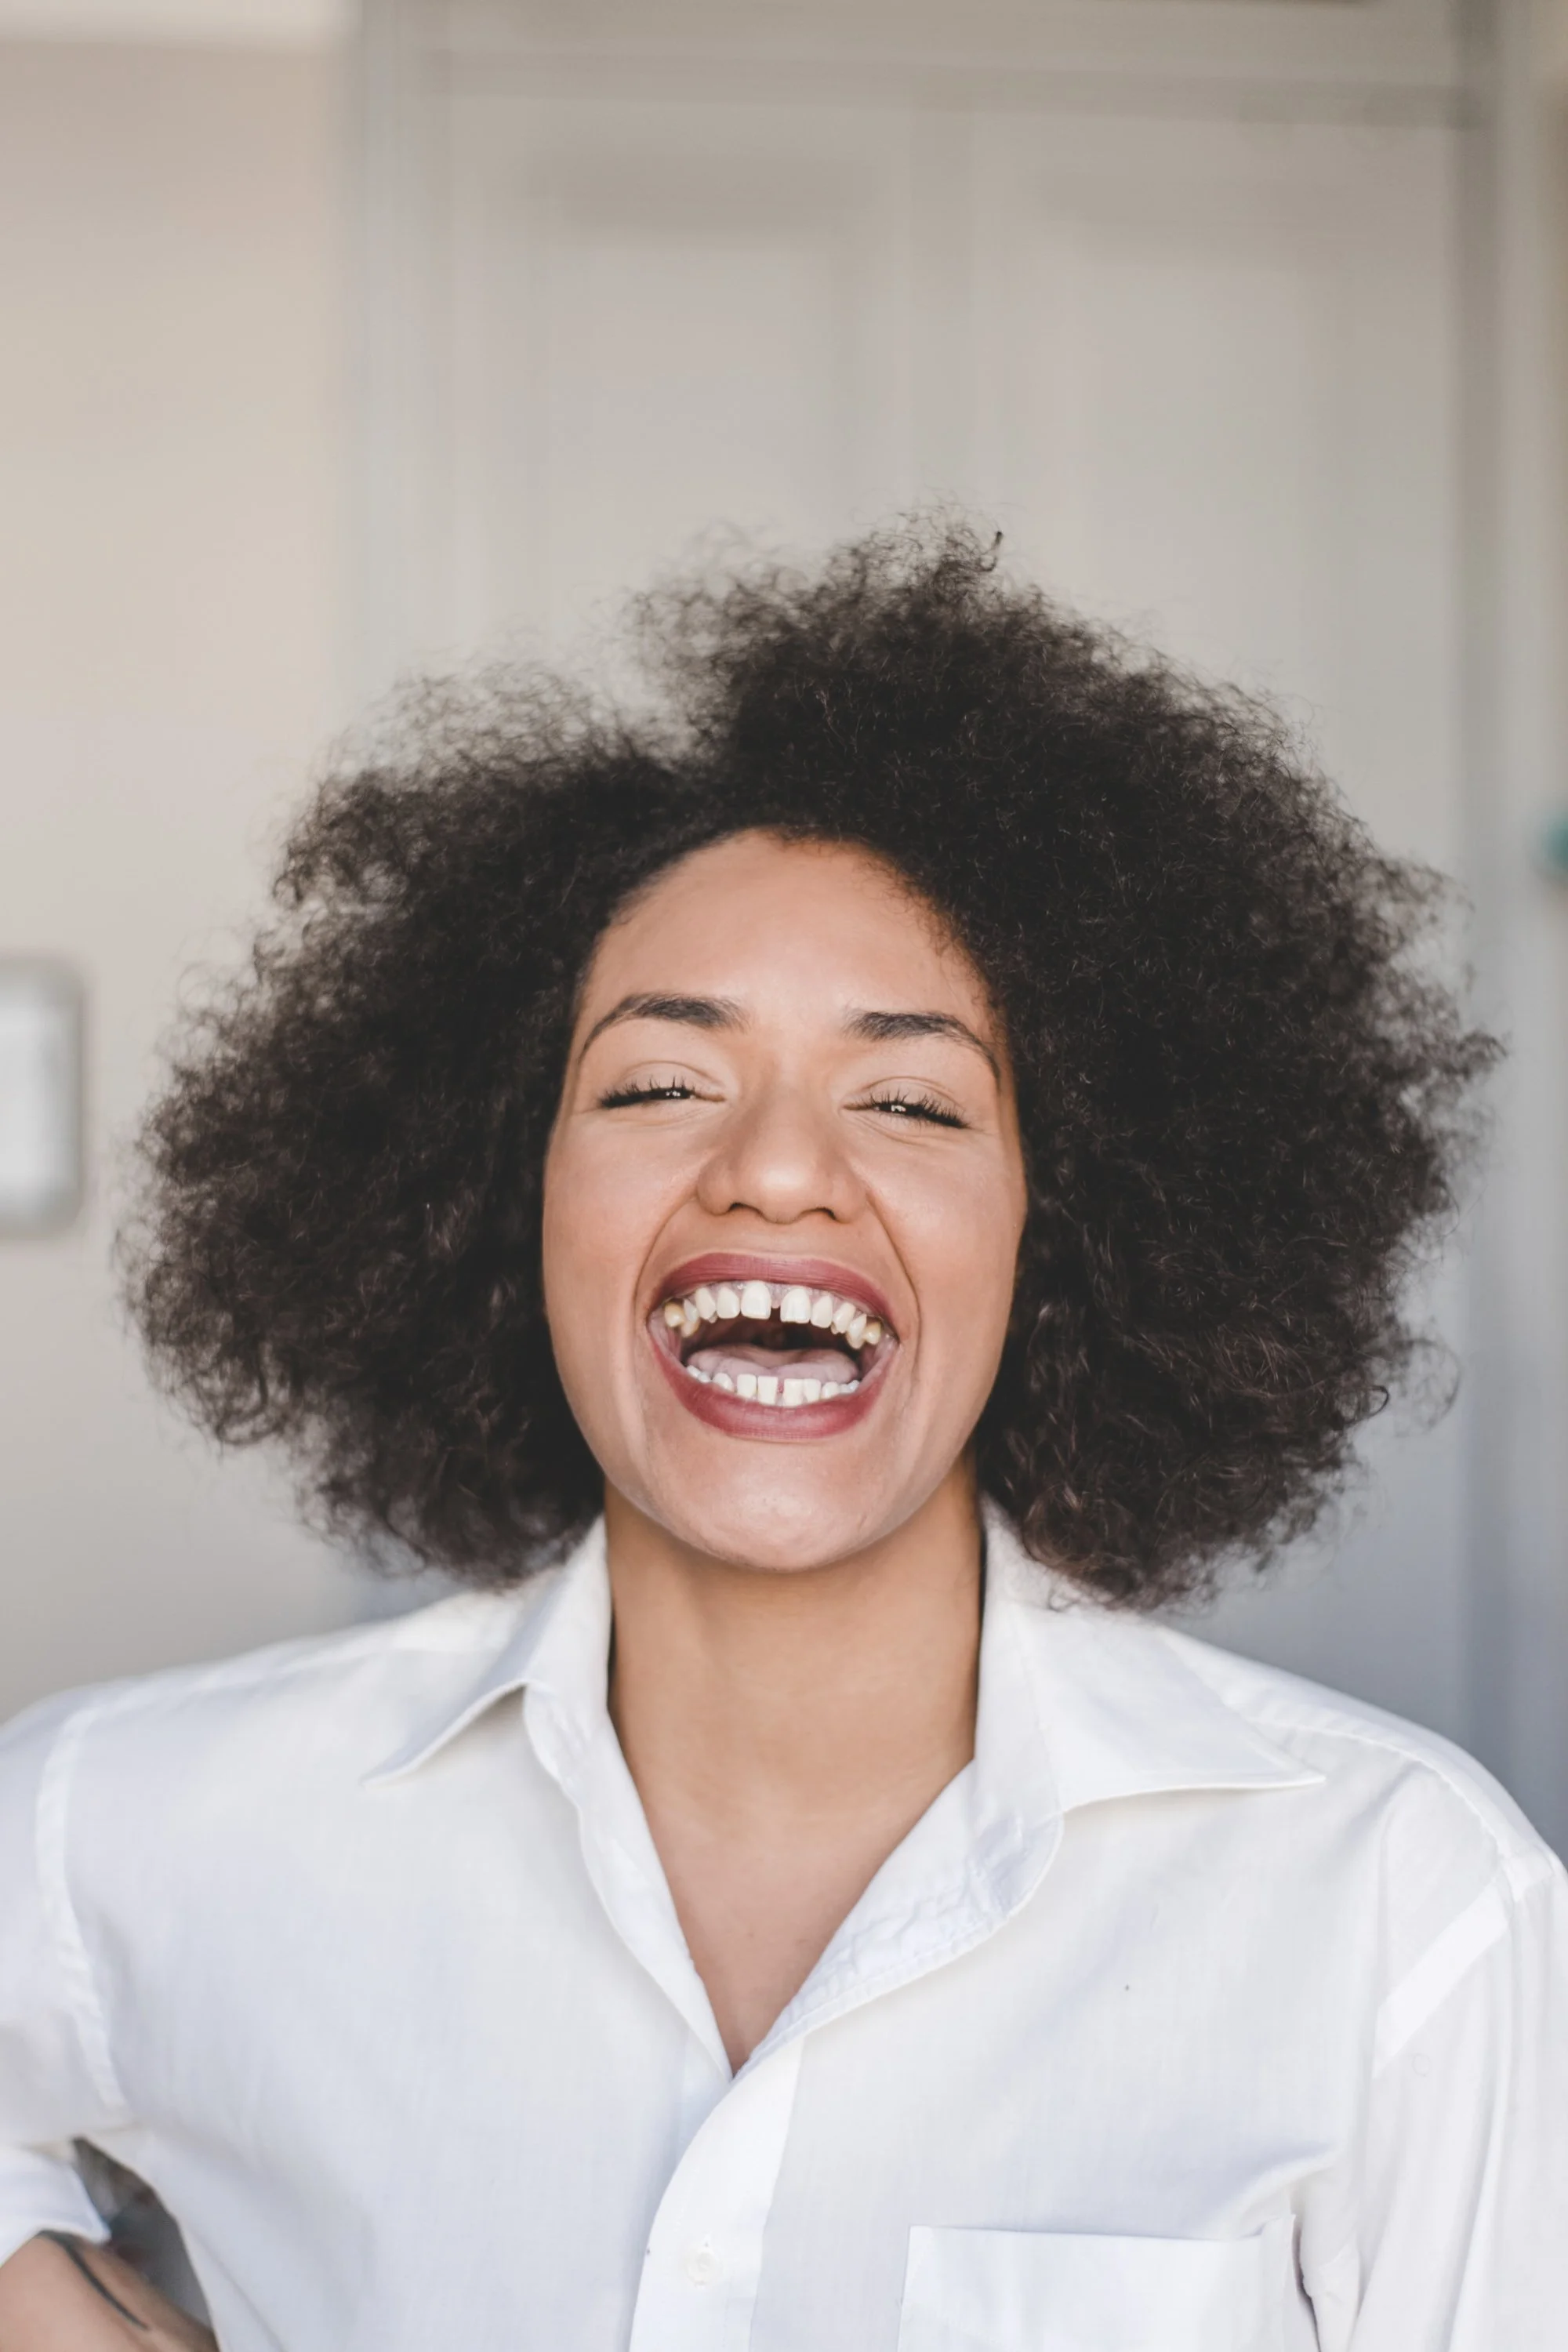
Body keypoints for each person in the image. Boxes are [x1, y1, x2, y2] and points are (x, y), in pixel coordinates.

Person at [0, 524, 1562, 2350]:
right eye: (661, 1083)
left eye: (910, 1099)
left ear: (1069, 1233)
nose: (775, 1169)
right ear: (502, 1196)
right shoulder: (132, 1831)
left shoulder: (1401, 1908)